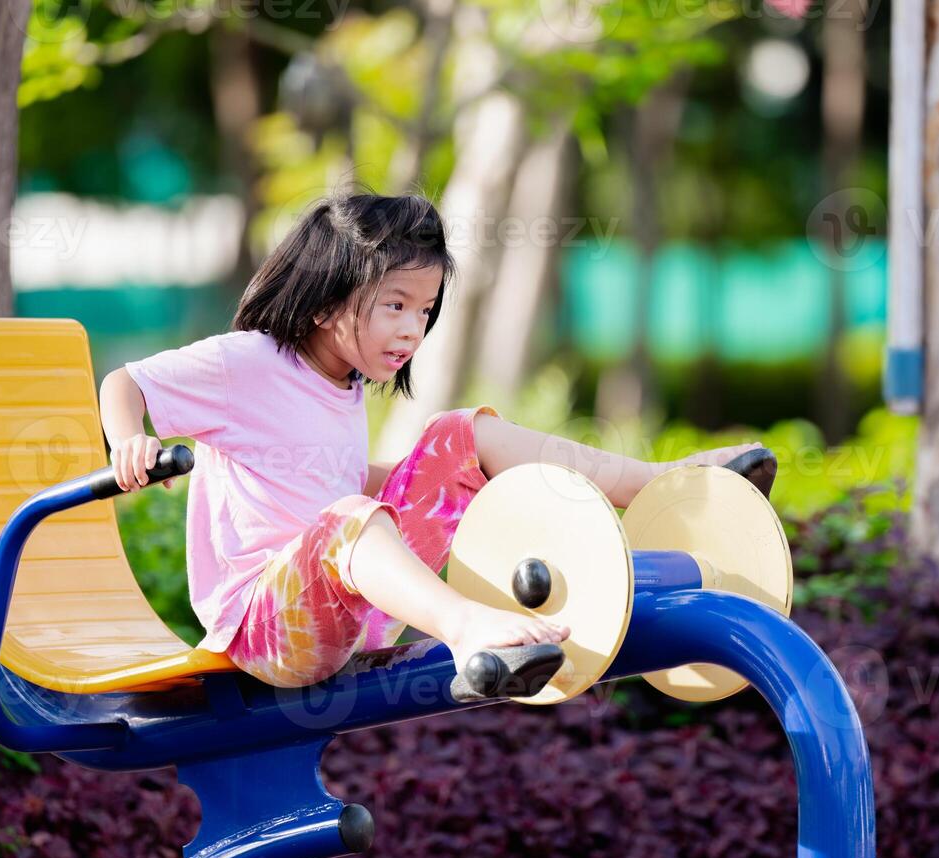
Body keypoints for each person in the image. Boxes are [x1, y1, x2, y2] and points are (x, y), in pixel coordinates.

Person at [98, 192, 769, 701]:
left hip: (351, 608)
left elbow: (330, 478)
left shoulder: (343, 381)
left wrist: (451, 475)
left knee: (459, 435)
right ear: (328, 302)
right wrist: (131, 441)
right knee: (347, 520)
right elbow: (124, 381)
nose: (413, 330)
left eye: (424, 311)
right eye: (395, 306)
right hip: (267, 629)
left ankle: (659, 484)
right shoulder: (247, 362)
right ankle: (467, 629)